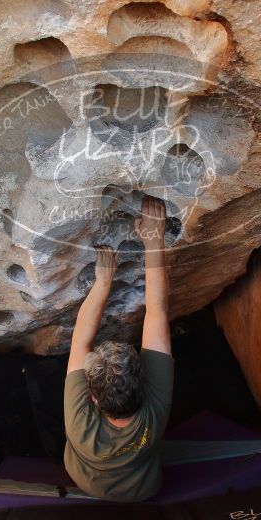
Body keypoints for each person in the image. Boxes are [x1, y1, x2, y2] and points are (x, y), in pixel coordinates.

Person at [63, 195, 173, 502]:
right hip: (144, 489)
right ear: (143, 383)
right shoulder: (155, 408)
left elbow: (80, 341)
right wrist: (153, 238)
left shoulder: (79, 426)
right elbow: (157, 313)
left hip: (86, 481)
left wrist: (102, 283)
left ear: (93, 398)